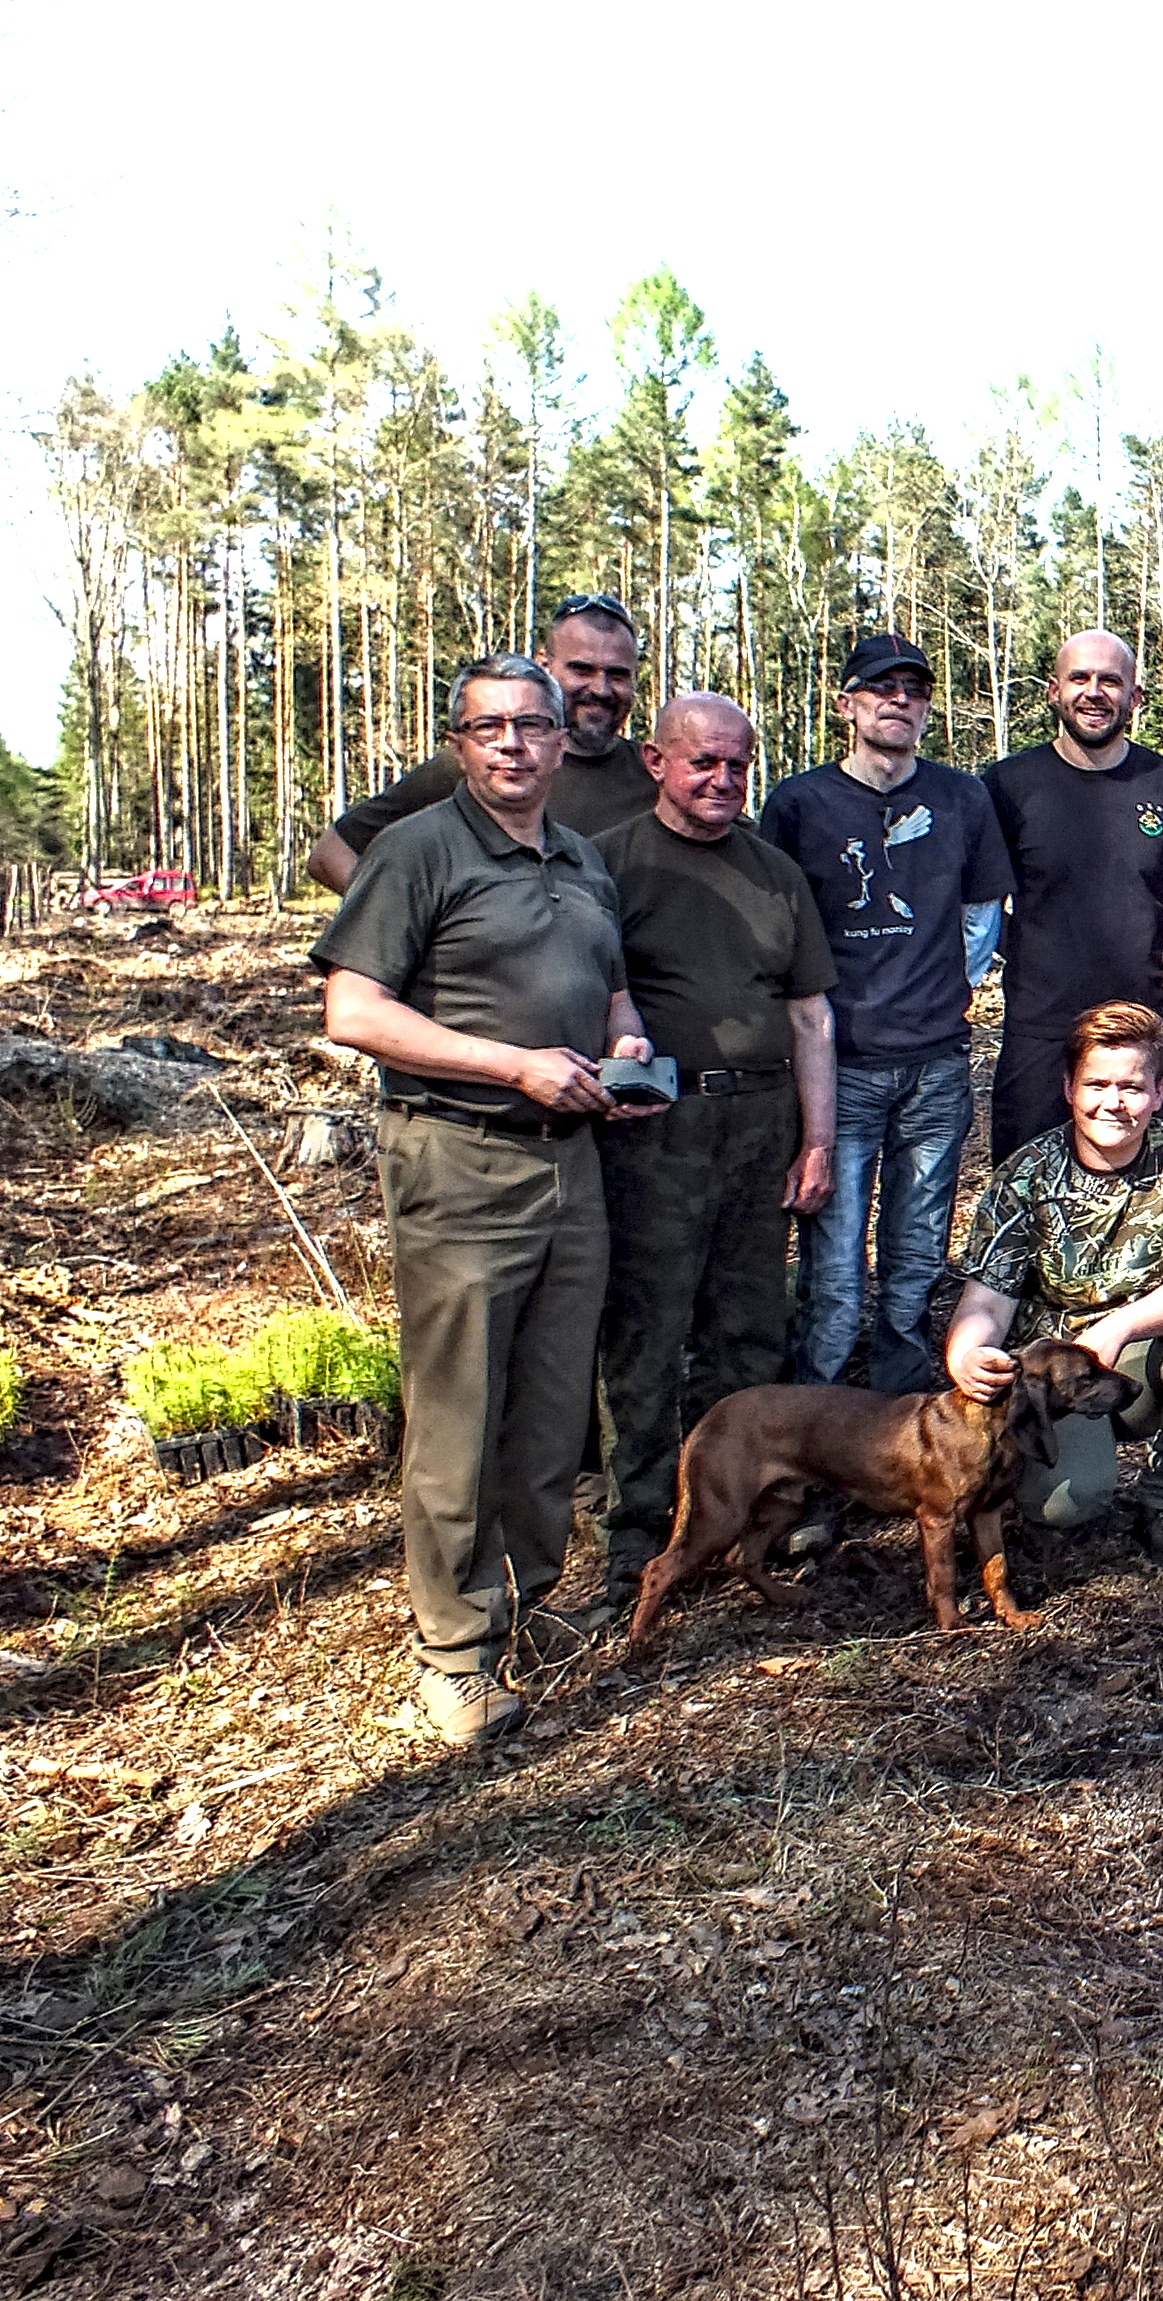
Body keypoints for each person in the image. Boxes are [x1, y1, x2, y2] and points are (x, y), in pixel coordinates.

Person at [311, 657, 658, 1745]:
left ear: (564, 743)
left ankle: (532, 1601)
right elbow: (354, 1009)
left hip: (572, 1160)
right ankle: (454, 1653)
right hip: (459, 1160)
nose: (512, 745)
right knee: (460, 1413)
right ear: (458, 745)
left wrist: (626, 1043)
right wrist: (509, 1065)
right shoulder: (419, 852)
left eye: (532, 728)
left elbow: (608, 984)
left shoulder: (583, 861)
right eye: (488, 728)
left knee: (555, 1405)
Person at [587, 693, 838, 1601]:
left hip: (761, 1122)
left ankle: (742, 1521)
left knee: (750, 1331)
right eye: (705, 763)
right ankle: (638, 1527)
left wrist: (817, 1141)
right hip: (658, 1128)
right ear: (657, 762)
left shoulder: (775, 873)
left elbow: (810, 1015)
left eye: (738, 765)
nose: (725, 780)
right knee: (648, 1331)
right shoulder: (607, 865)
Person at [760, 632, 1010, 1394]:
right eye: (880, 688)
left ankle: (897, 1411)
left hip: (936, 1064)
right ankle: (818, 1426)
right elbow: (776, 927)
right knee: (833, 1270)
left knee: (918, 1253)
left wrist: (953, 985)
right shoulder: (800, 803)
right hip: (840, 1068)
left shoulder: (961, 796)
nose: (898, 700)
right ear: (847, 705)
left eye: (913, 690)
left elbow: (981, 908)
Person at [943, 1004, 1163, 1569]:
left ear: (1159, 1093)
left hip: (1137, 1362)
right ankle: (1066, 1469)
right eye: (1098, 1084)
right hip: (1056, 1387)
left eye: (1132, 1087)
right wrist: (966, 1354)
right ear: (1068, 1088)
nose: (1115, 1102)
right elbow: (986, 1301)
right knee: (1066, 1507)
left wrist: (1120, 1327)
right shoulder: (1025, 1174)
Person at [981, 629, 1163, 1164]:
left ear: (1135, 698)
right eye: (1080, 678)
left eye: (1111, 681)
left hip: (1147, 1030)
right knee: (1024, 1191)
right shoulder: (1007, 786)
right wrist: (1029, 958)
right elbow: (978, 904)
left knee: (1153, 1199)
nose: (1094, 692)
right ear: (1054, 691)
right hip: (1041, 1031)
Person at [309, 593, 657, 891]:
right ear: (544, 666)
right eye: (582, 670)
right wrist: (403, 931)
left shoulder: (658, 776)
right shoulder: (483, 763)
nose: (600, 689)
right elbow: (331, 854)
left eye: (617, 674)